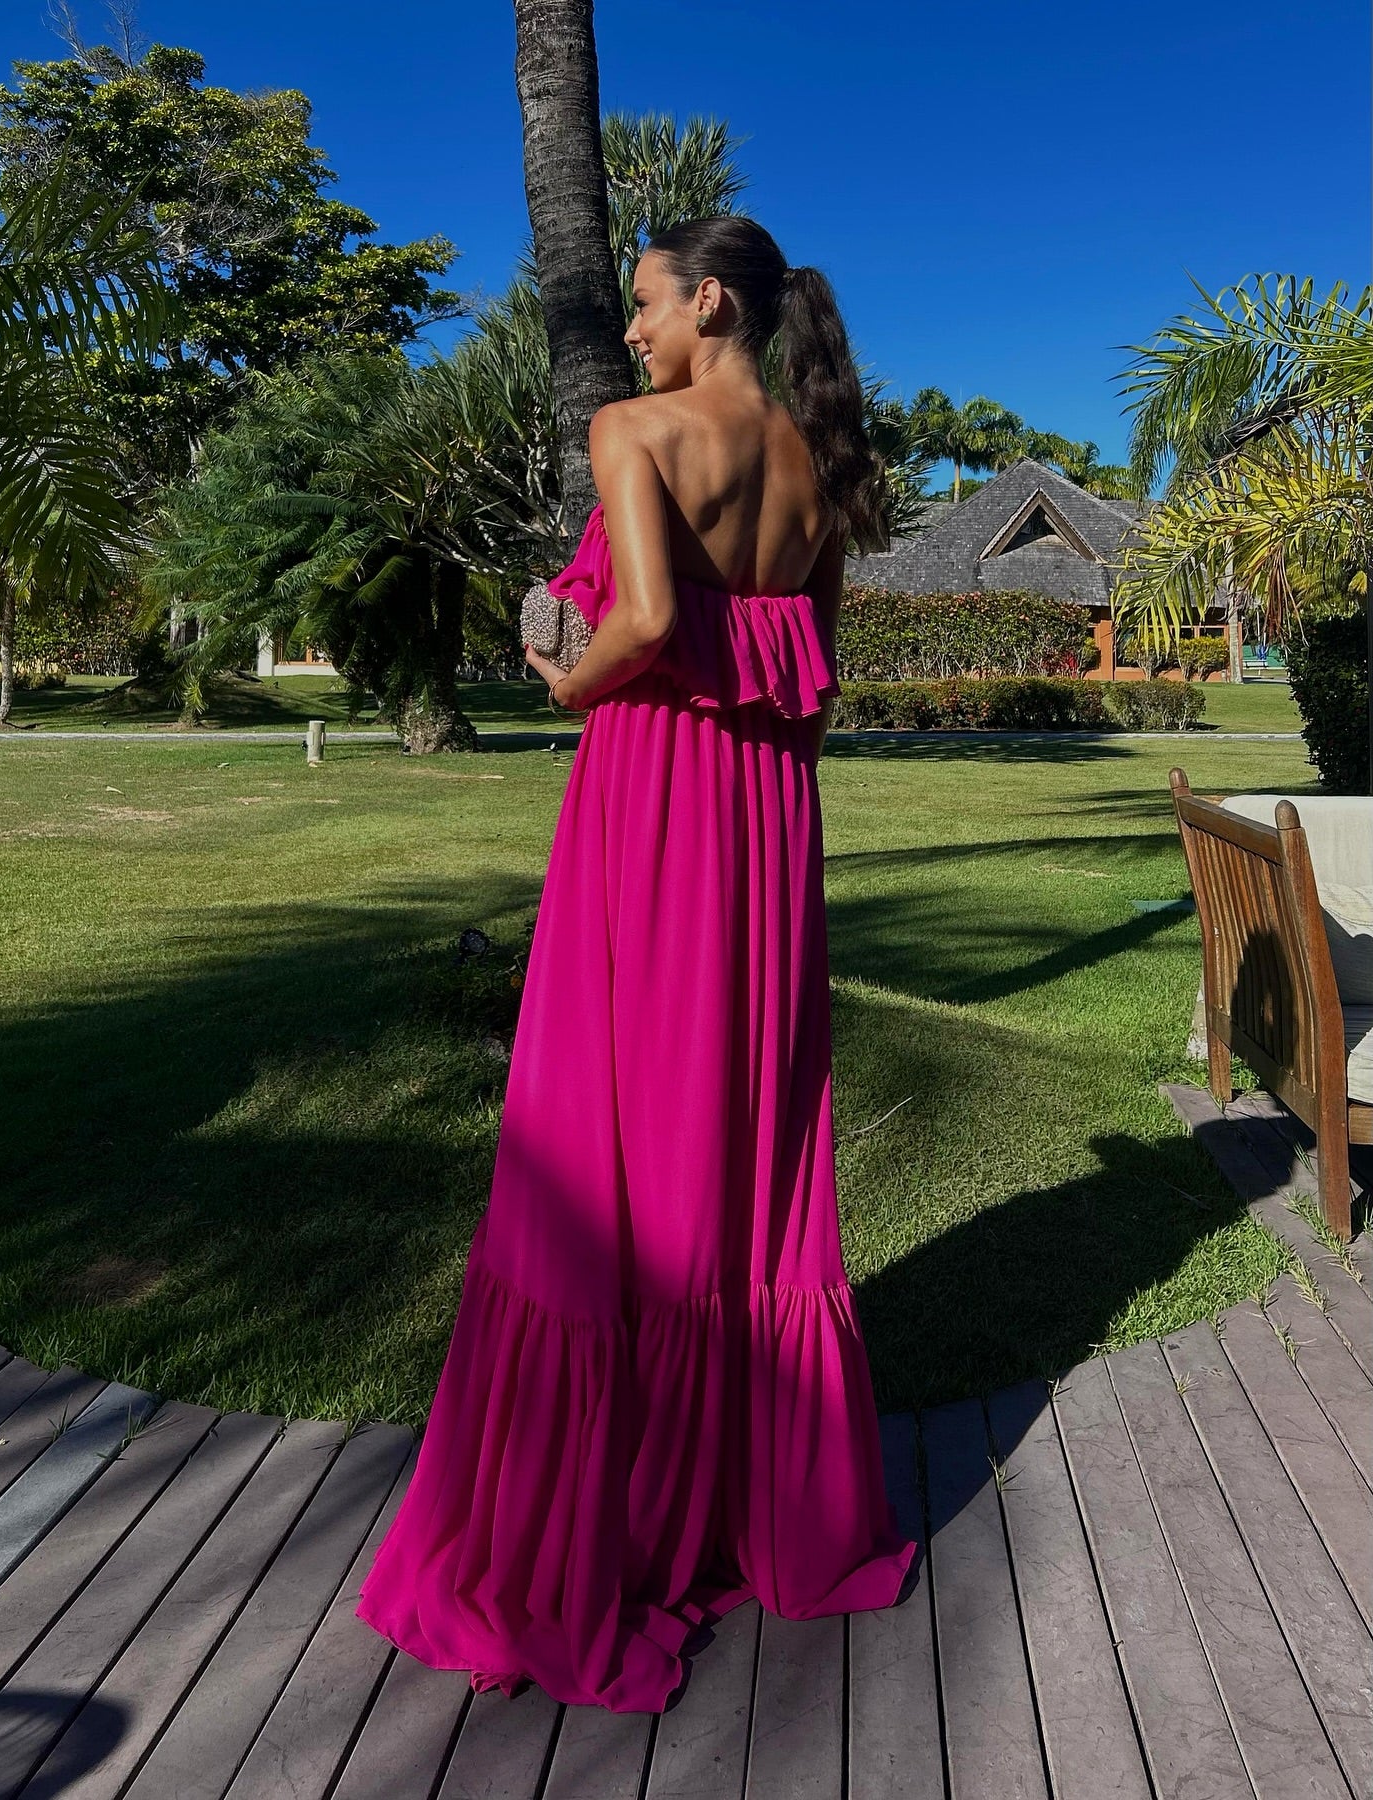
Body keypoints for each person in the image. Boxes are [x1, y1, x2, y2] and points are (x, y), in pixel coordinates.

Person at [356, 215, 918, 1715]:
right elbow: (808, 676)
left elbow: (656, 623)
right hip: (763, 833)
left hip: (654, 808)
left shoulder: (632, 426)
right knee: (741, 1150)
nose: (641, 334)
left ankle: (577, 1545)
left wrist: (559, 670)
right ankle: (750, 1507)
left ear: (709, 298)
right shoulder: (818, 468)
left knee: (594, 1153)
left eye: (653, 306)